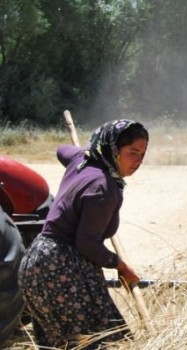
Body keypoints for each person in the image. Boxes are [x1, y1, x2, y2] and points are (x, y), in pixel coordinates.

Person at [18, 119, 149, 349]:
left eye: (143, 154)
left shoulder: (83, 160)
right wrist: (121, 266)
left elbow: (62, 150)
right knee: (108, 342)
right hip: (62, 271)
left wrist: (87, 151)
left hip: (35, 264)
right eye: (133, 152)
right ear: (114, 149)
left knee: (60, 344)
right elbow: (87, 243)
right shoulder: (103, 187)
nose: (139, 161)